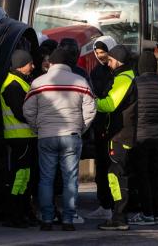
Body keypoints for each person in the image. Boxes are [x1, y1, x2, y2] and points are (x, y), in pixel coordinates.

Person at [23, 48, 96, 232]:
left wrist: (38, 128)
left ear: (52, 63)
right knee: (70, 179)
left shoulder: (38, 83)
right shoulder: (81, 82)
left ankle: (47, 219)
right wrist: (80, 128)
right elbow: (91, 109)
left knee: (46, 179)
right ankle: (68, 220)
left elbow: (28, 110)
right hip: (71, 136)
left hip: (46, 136)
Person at [128, 51, 158, 226]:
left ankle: (146, 214)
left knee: (142, 177)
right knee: (156, 177)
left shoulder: (136, 84)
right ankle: (157, 214)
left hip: (139, 137)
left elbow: (130, 111)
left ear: (140, 66)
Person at [95, 45, 137, 231]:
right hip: (122, 133)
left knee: (116, 175)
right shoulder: (126, 76)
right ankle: (119, 215)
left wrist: (90, 100)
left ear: (118, 60)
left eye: (110, 60)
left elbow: (110, 104)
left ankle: (119, 217)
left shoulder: (123, 78)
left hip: (120, 135)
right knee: (117, 175)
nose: (108, 64)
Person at [0, 50, 39, 228]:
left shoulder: (20, 82)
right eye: (30, 63)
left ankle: (22, 212)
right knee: (19, 176)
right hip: (20, 137)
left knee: (24, 176)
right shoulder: (13, 85)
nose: (33, 66)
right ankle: (14, 214)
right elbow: (21, 113)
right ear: (21, 65)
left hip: (25, 137)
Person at [86, 36, 117, 221]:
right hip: (100, 125)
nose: (100, 56)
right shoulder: (97, 72)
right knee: (102, 167)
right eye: (97, 53)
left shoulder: (119, 71)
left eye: (103, 52)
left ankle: (115, 205)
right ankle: (104, 204)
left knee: (115, 168)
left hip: (115, 125)